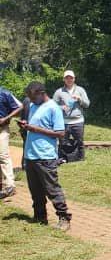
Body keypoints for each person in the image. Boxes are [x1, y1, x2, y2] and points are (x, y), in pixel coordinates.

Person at [18, 81, 72, 230]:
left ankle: (64, 218)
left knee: (52, 189)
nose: (30, 100)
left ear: (41, 93)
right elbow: (33, 125)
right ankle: (40, 217)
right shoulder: (33, 106)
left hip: (45, 157)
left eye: (32, 96)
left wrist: (35, 129)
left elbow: (60, 133)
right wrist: (25, 125)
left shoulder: (53, 108)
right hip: (31, 155)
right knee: (35, 191)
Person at [53, 69, 90, 162]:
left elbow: (87, 104)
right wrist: (61, 107)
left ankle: (81, 158)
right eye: (67, 78)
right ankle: (63, 159)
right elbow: (52, 106)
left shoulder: (80, 90)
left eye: (71, 78)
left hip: (78, 121)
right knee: (63, 142)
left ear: (74, 79)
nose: (69, 80)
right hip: (64, 121)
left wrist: (79, 99)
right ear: (64, 79)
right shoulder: (59, 92)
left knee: (80, 141)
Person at [0, 84, 23, 198]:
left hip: (2, 129)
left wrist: (7, 118)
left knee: (3, 156)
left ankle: (10, 186)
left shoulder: (5, 93)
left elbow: (20, 106)